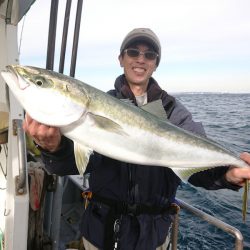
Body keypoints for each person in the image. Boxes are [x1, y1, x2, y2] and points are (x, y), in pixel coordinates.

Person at [23, 28, 250, 250]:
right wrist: (54, 149)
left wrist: (228, 174)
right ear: (121, 58)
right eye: (133, 52)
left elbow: (198, 167)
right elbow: (73, 164)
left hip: (152, 238)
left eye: (149, 55)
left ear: (155, 63)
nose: (140, 59)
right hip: (100, 232)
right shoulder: (98, 106)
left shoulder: (173, 111)